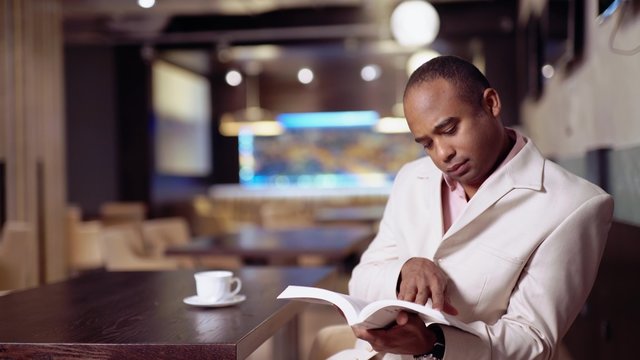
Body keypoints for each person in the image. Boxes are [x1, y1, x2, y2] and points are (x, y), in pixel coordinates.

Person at [330, 55, 614, 360]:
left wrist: (433, 343)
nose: (442, 154)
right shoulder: (411, 178)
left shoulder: (575, 205)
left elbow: (533, 340)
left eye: (450, 129)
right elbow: (361, 280)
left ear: (491, 104)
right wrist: (404, 271)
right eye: (426, 144)